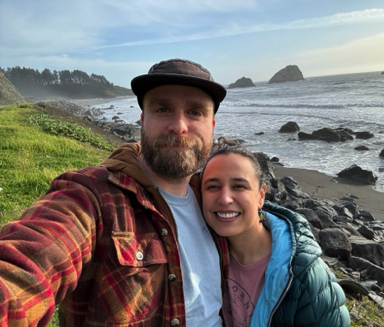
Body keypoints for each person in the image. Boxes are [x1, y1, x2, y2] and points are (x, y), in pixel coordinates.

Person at [0, 59, 229, 326]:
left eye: (195, 112)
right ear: (143, 121)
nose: (179, 125)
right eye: (163, 109)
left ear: (212, 126)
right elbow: (25, 267)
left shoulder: (216, 200)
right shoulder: (93, 197)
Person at [201, 141, 351, 327]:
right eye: (213, 187)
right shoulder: (201, 253)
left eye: (239, 186)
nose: (224, 199)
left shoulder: (303, 275)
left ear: (261, 195)